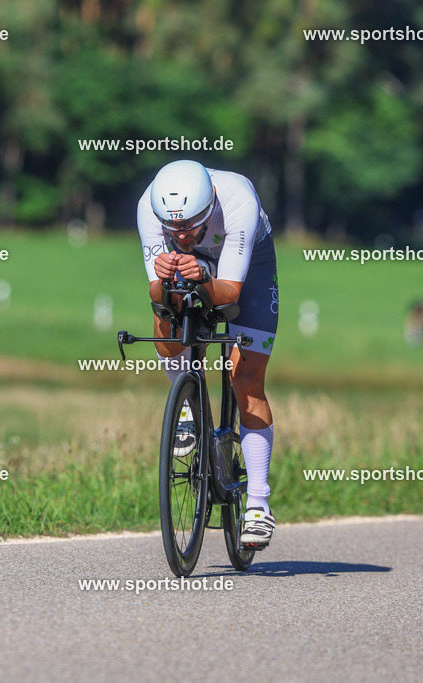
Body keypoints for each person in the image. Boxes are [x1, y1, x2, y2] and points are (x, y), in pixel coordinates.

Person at [137, 160, 279, 548]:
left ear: (210, 206)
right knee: (166, 324)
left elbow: (231, 292)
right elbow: (155, 293)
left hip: (244, 268)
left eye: (190, 226)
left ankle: (258, 506)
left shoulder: (237, 199)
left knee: (246, 379)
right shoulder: (148, 209)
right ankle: (187, 408)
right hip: (192, 270)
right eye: (173, 228)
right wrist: (164, 280)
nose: (181, 235)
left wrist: (202, 277)